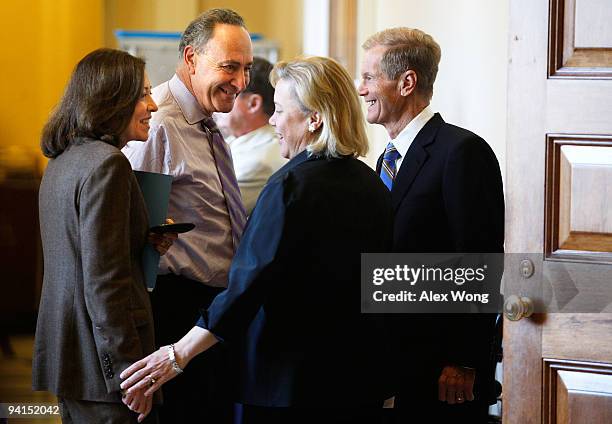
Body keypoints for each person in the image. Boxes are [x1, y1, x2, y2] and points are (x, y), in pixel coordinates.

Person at [120, 56, 394, 423]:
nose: (272, 121)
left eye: (280, 111)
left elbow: (247, 286)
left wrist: (177, 354)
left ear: (314, 119)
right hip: (358, 381)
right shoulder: (372, 184)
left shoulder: (290, 187)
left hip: (287, 386)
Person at [358, 27, 504, 422]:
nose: (360, 88)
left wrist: (465, 360)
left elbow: (480, 260)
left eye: (369, 77)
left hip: (443, 371)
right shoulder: (385, 158)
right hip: (395, 363)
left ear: (406, 82)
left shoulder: (461, 152)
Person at [121, 8, 252, 423]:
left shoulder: (209, 123)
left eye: (246, 69)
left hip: (212, 309)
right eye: (230, 67)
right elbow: (130, 235)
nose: (242, 83)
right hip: (175, 310)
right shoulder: (156, 123)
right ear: (192, 58)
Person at [32, 48, 176, 423]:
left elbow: (81, 257)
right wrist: (133, 376)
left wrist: (142, 240)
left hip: (72, 358)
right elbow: (104, 282)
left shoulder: (63, 160)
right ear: (114, 99)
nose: (153, 105)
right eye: (143, 94)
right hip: (105, 370)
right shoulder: (109, 164)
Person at [214, 57, 287, 215]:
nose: (216, 103)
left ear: (253, 104)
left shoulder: (261, 160)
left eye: (228, 93)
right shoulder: (236, 140)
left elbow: (211, 211)